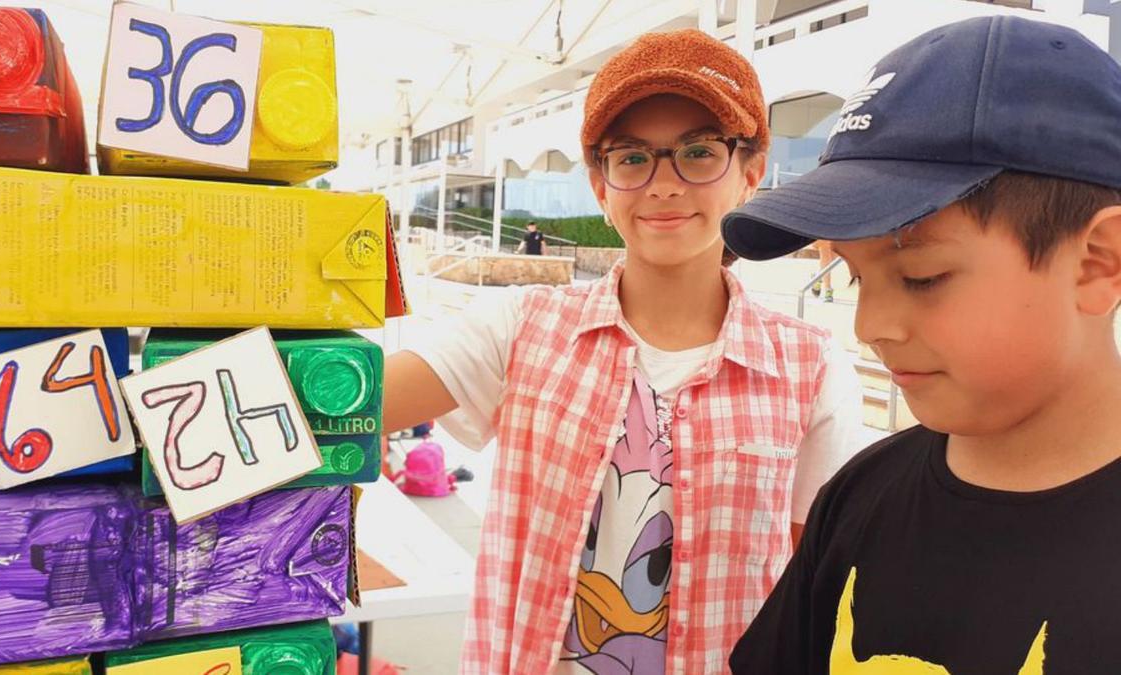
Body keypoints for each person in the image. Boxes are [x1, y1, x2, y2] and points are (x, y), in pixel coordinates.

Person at [383, 29, 863, 673]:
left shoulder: (810, 367)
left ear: (751, 173)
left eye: (698, 152)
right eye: (633, 158)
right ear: (600, 185)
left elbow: (811, 588)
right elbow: (338, 410)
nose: (663, 185)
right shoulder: (519, 328)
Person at [722, 16, 1121, 673]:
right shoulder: (858, 499)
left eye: (920, 277)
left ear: (1097, 263)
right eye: (854, 274)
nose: (869, 324)